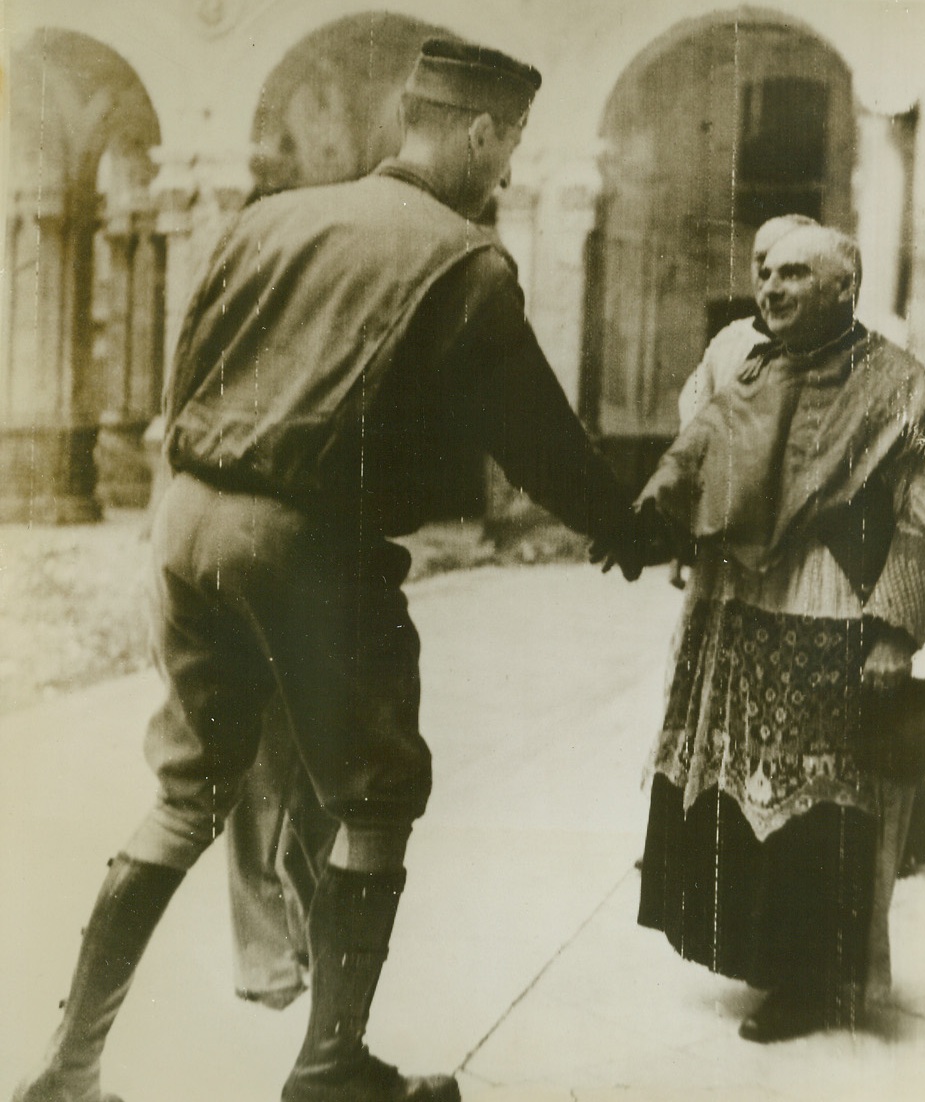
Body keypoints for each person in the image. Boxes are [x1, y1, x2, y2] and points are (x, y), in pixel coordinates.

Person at [13, 38, 654, 1102]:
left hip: (186, 516)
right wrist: (626, 529)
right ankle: (330, 1071)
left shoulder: (267, 218)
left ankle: (66, 1071)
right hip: (304, 541)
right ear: (484, 132)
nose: (503, 177)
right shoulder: (467, 259)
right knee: (378, 795)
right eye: (508, 151)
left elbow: (188, 376)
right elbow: (537, 437)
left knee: (186, 791)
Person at [628, 224, 925, 1042]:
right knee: (741, 782)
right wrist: (669, 526)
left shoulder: (898, 383)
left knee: (815, 795)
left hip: (829, 608)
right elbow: (698, 443)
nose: (773, 288)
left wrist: (897, 625)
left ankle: (813, 980)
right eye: (766, 273)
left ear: (843, 290)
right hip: (738, 608)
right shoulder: (746, 360)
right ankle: (764, 961)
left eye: (795, 274)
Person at [676, 212, 818, 426]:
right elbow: (694, 431)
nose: (771, 284)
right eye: (762, 264)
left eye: (788, 268)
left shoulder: (842, 351)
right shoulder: (729, 344)